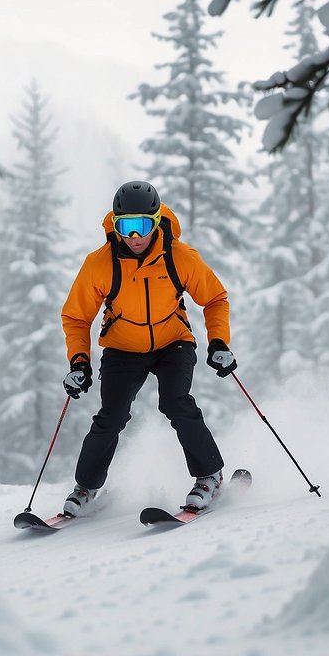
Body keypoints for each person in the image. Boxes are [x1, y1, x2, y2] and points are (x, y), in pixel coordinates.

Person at [59, 180, 238, 517]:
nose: (134, 235)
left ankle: (209, 476)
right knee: (111, 416)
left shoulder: (179, 257)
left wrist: (218, 342)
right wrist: (79, 361)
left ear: (156, 222)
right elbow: (75, 316)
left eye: (142, 225)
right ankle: (86, 487)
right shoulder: (100, 264)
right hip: (122, 349)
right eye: (125, 226)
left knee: (176, 402)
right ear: (115, 225)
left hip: (173, 343)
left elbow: (215, 299)